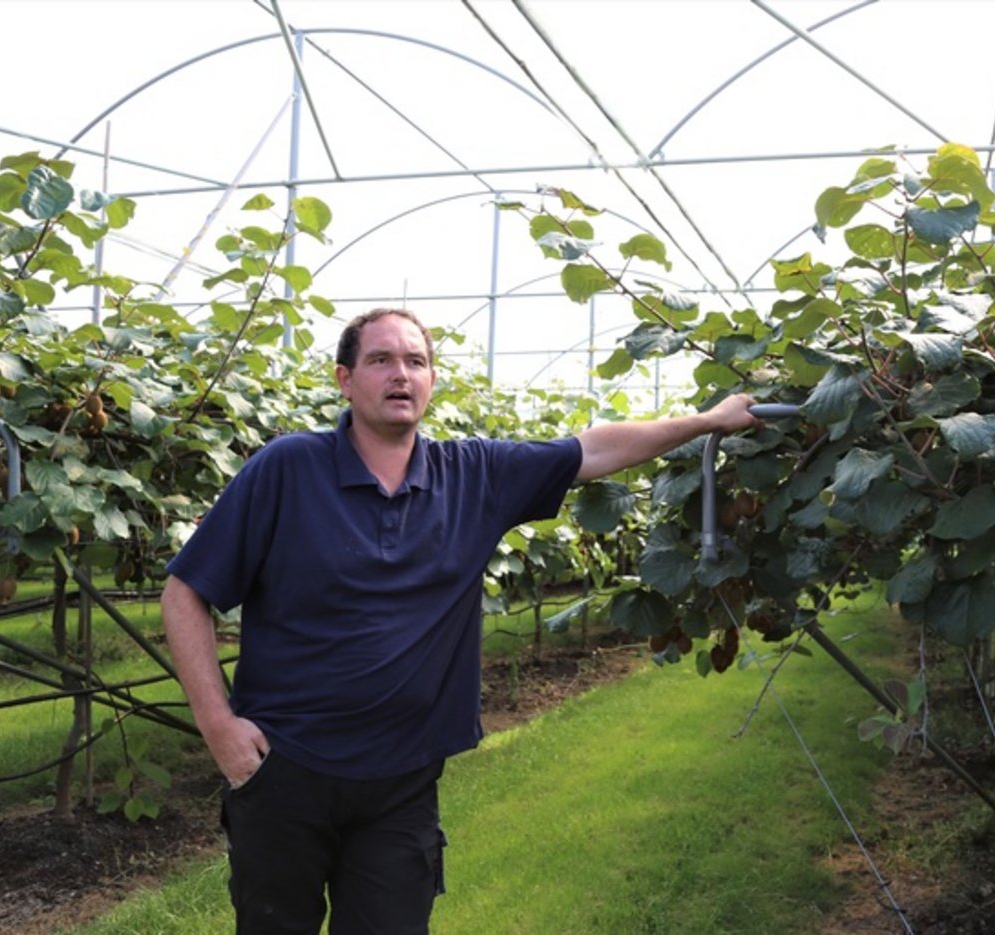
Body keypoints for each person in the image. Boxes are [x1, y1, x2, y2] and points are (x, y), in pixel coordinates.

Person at [161, 307, 758, 935]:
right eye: (381, 360)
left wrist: (709, 421)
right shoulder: (288, 469)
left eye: (415, 361)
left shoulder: (474, 475)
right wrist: (217, 725)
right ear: (344, 379)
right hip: (285, 772)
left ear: (431, 379)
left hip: (402, 783)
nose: (401, 374)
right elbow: (185, 592)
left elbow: (594, 448)